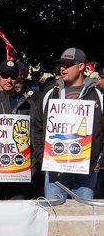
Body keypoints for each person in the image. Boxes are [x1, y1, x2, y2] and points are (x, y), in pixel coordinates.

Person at [32, 47, 104, 200]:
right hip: (55, 170)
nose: (63, 68)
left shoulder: (98, 94)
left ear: (81, 67)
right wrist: (41, 156)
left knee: (83, 217)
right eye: (61, 65)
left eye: (68, 64)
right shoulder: (50, 93)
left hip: (87, 170)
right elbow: (37, 127)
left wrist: (99, 160)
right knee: (55, 217)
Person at [0, 60, 39, 199]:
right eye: (5, 75)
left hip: (19, 175)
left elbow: (36, 137)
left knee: (17, 219)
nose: (9, 80)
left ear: (18, 77)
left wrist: (33, 167)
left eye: (13, 76)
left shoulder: (29, 105)